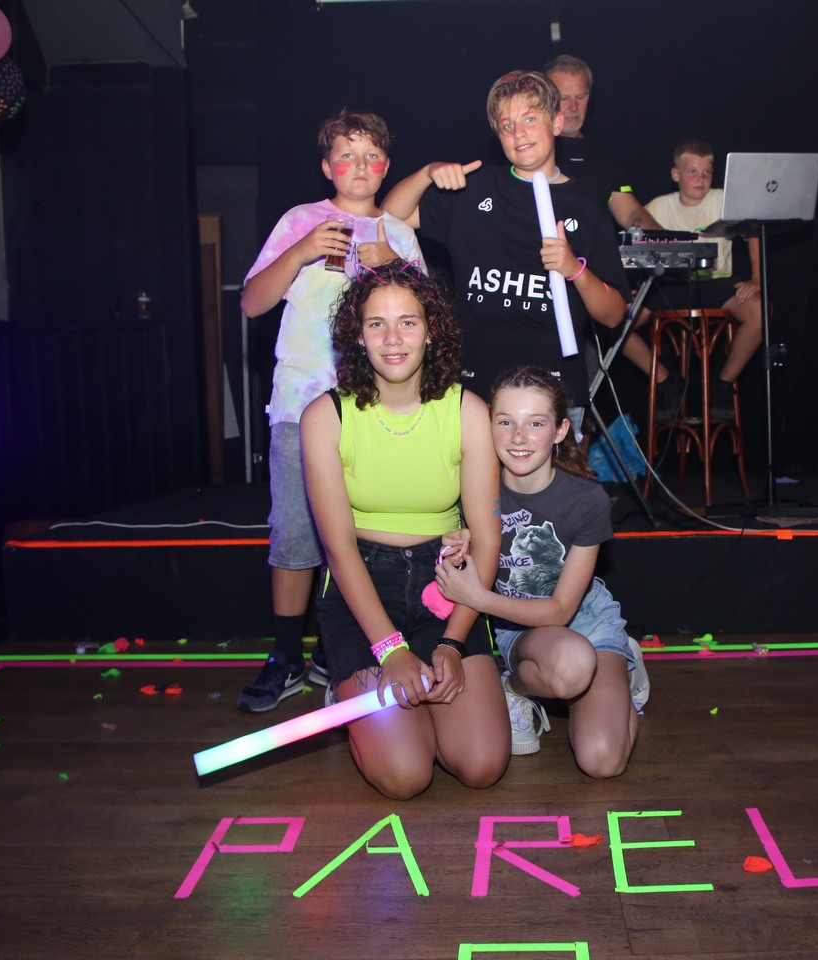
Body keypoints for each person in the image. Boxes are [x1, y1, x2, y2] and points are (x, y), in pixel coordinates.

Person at [235, 111, 424, 713]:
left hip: (375, 408)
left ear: (386, 167)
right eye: (346, 155)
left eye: (371, 156)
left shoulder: (399, 231)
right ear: (326, 166)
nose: (359, 166)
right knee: (296, 532)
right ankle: (285, 654)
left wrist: (392, 264)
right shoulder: (300, 220)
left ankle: (332, 645)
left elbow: (426, 320)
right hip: (301, 404)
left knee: (364, 533)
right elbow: (251, 303)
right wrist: (300, 252)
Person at [300, 260, 508, 799]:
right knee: (406, 776)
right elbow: (338, 549)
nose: (393, 339)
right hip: (363, 592)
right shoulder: (325, 417)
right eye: (377, 323)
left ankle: (429, 704)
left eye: (408, 322)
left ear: (431, 330)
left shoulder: (468, 411)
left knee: (481, 765)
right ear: (358, 335)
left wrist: (453, 644)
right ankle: (350, 693)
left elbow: (487, 540)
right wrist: (390, 650)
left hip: (446, 589)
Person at [432, 365, 646, 776]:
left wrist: (477, 597)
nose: (519, 436)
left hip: (583, 619)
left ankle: (621, 669)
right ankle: (515, 688)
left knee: (602, 761)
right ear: (486, 426)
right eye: (505, 422)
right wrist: (453, 543)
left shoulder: (588, 500)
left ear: (561, 430)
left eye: (535, 423)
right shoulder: (468, 489)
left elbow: (561, 610)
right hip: (519, 629)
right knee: (570, 664)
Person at [383, 69, 629, 418]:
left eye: (530, 119)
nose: (519, 133)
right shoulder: (474, 190)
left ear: (557, 123)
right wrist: (427, 173)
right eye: (506, 125)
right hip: (476, 389)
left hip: (553, 393)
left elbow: (614, 314)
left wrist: (574, 270)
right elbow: (390, 217)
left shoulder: (586, 206)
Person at [628, 140, 766, 421]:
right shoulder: (657, 206)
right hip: (669, 286)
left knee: (761, 312)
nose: (700, 179)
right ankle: (666, 381)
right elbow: (636, 244)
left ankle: (724, 384)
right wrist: (632, 285)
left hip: (717, 282)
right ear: (676, 174)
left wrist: (756, 278)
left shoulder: (724, 200)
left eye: (707, 172)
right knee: (614, 323)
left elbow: (754, 230)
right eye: (692, 171)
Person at [544, 54, 660, 232]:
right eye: (564, 98)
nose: (573, 107)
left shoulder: (603, 158)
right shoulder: (533, 152)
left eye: (580, 96)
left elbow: (630, 212)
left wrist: (671, 241)